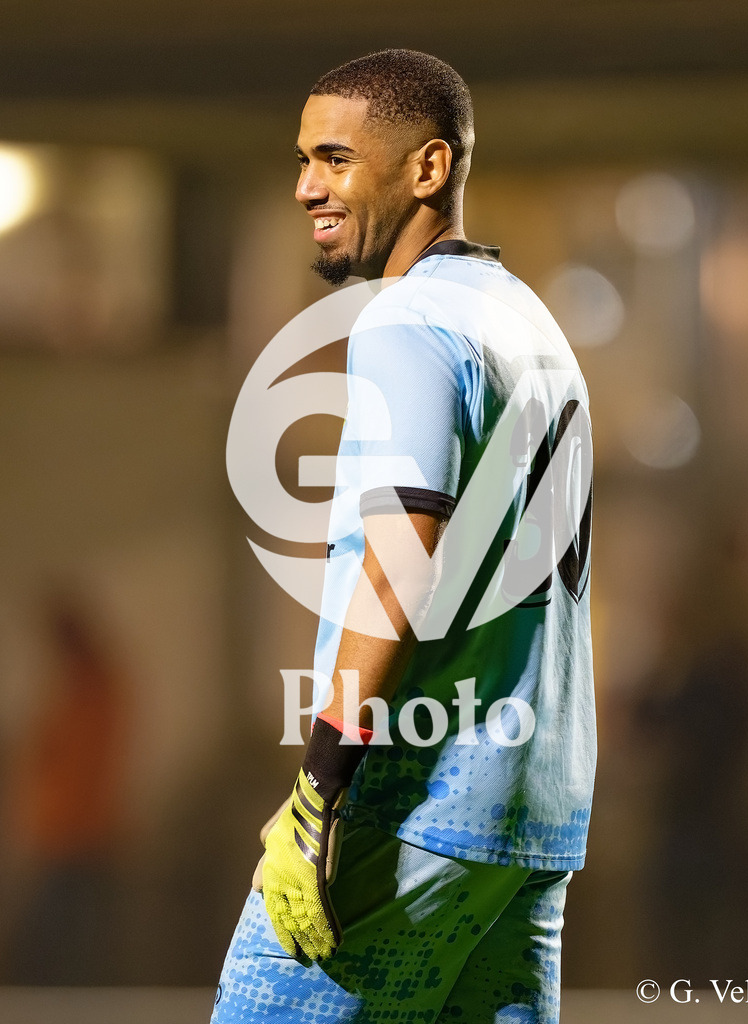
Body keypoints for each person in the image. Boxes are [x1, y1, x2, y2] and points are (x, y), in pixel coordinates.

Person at [212, 48, 595, 1024]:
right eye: (304, 160)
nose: (307, 186)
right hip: (531, 816)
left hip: (414, 803)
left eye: (335, 159)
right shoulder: (529, 325)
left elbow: (398, 557)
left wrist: (320, 791)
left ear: (429, 168)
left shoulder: (409, 324)